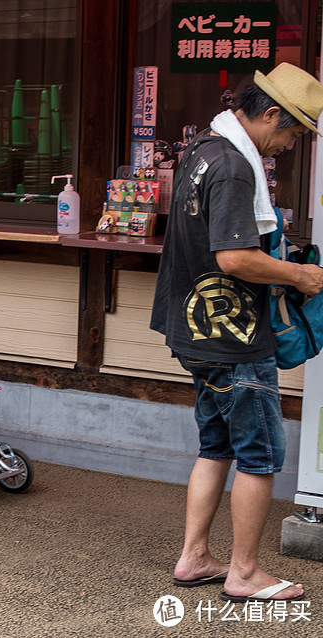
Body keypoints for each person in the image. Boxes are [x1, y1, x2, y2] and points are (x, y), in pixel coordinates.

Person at [150, 62, 323, 603]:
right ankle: (245, 572)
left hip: (195, 327)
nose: (291, 145)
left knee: (216, 443)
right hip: (233, 334)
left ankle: (195, 556)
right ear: (270, 114)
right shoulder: (233, 166)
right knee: (260, 454)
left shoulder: (202, 148)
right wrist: (300, 275)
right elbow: (234, 257)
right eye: (293, 132)